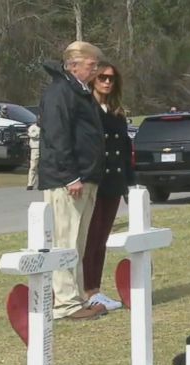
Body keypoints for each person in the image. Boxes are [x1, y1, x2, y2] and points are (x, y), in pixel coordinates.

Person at [38, 41, 107, 321]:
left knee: (77, 242)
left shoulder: (79, 92)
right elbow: (57, 136)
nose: (95, 70)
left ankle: (76, 298)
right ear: (74, 64)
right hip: (68, 180)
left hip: (86, 178)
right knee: (65, 241)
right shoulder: (60, 92)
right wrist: (71, 176)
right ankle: (65, 303)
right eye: (92, 65)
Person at [83, 61, 135, 311]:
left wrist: (130, 182)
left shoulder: (117, 112)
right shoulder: (87, 108)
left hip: (114, 182)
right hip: (94, 181)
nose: (106, 82)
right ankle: (87, 289)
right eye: (102, 77)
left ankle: (96, 288)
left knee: (102, 238)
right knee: (89, 238)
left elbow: (125, 150)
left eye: (111, 78)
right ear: (93, 79)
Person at [26, 120, 40, 190]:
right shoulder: (32, 127)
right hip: (35, 149)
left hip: (44, 149)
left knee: (43, 167)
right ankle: (30, 184)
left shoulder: (45, 127)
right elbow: (32, 135)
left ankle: (42, 183)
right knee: (33, 167)